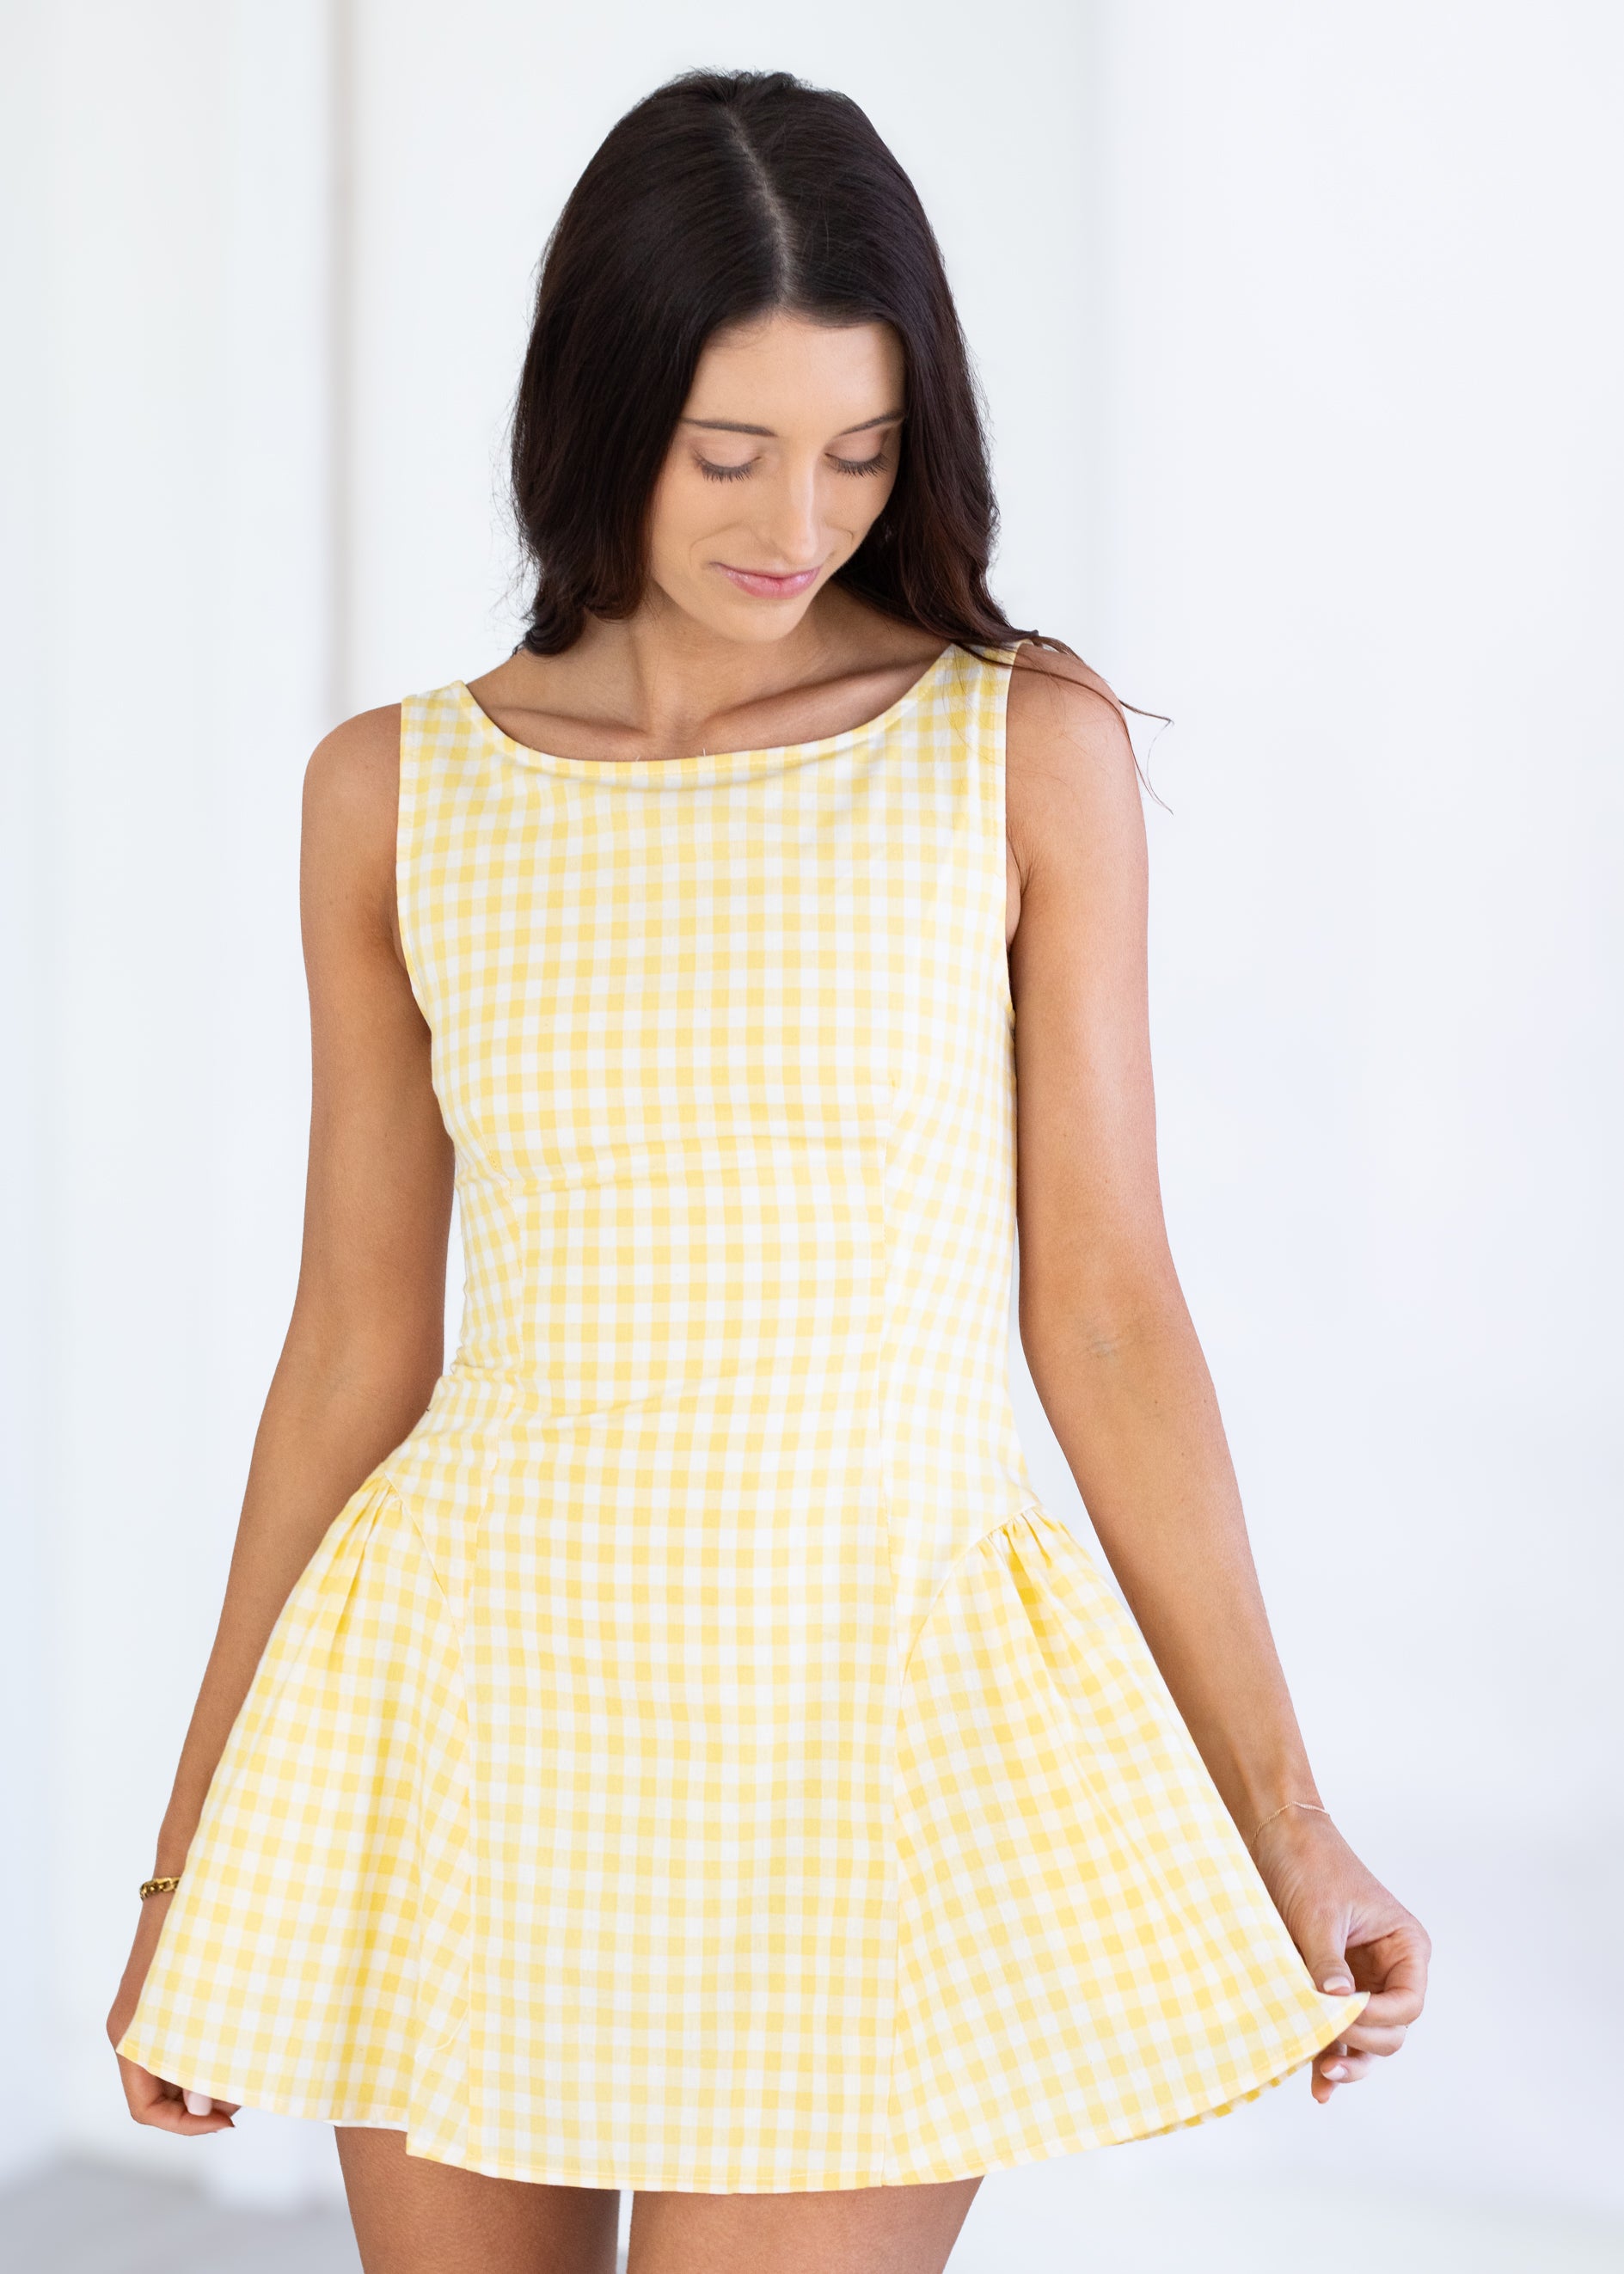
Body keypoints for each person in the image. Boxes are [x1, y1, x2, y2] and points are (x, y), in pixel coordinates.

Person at [107, 66, 1429, 2274]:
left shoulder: (1016, 750)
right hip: (479, 1708)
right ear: (597, 408)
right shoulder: (394, 794)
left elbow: (1104, 1312)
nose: (792, 516)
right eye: (728, 451)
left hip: (866, 1723)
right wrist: (189, 1872)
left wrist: (1295, 1830)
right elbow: (350, 1346)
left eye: (860, 450)